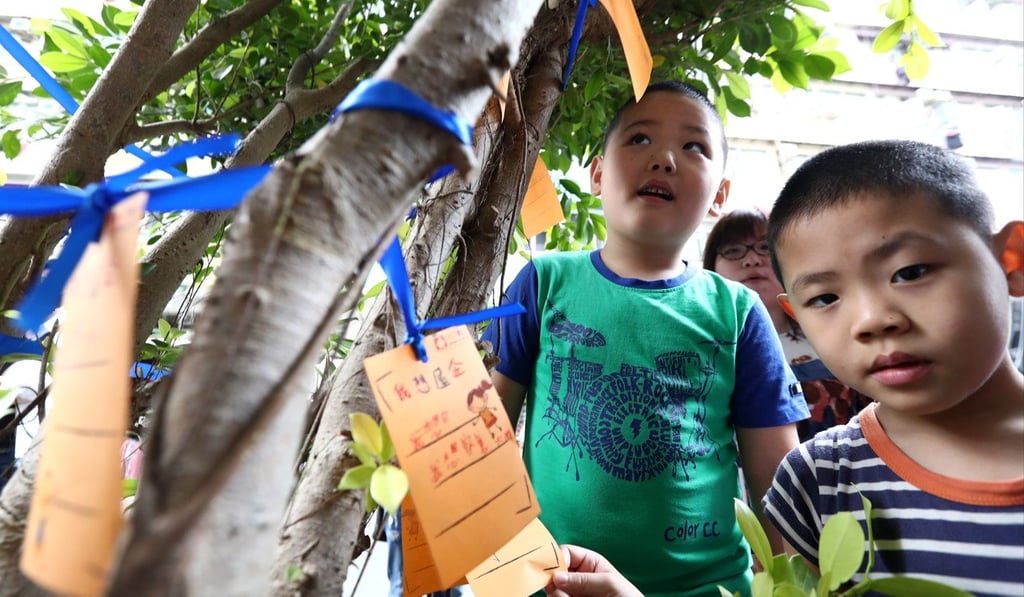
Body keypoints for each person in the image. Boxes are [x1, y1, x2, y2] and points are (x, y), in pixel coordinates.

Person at [482, 81, 809, 596]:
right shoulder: (543, 283)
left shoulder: (738, 312)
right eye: (638, 139)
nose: (664, 159)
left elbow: (778, 488)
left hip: (707, 587)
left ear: (719, 195)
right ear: (596, 174)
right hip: (549, 582)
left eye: (693, 146)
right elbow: (485, 441)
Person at [762, 139, 1024, 596]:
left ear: (1010, 260)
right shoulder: (815, 482)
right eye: (825, 298)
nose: (871, 320)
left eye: (909, 272)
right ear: (797, 315)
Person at [703, 209, 873, 441]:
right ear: (711, 266)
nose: (751, 260)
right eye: (733, 251)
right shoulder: (701, 351)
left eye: (765, 247)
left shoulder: (843, 330)